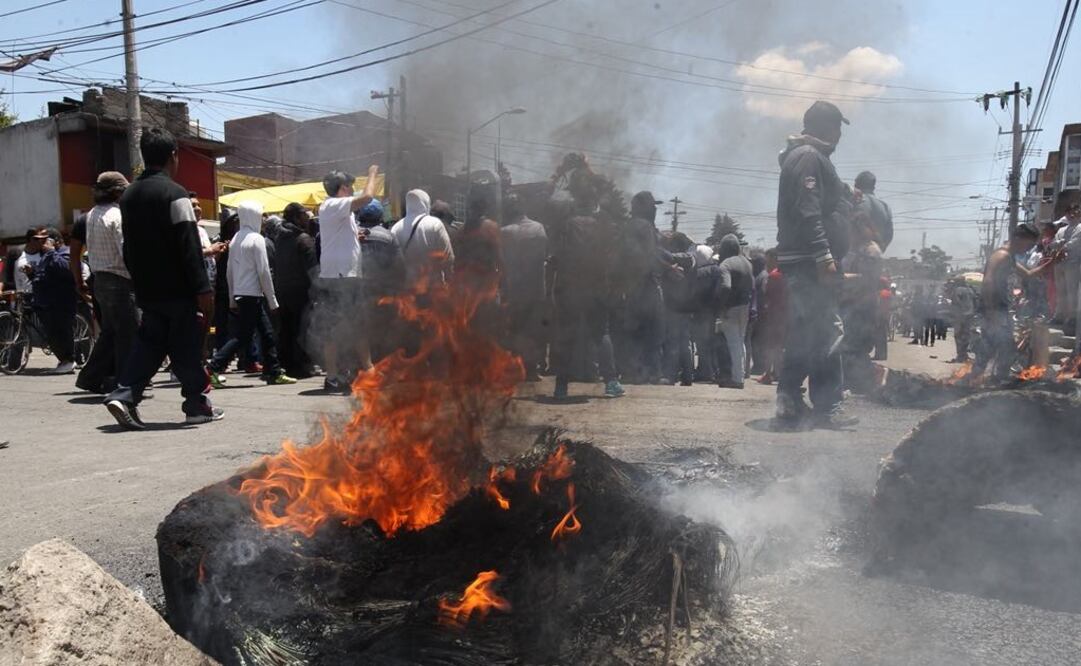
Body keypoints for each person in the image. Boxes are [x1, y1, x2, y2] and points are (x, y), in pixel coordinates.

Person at [104, 127, 220, 429]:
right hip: (179, 288)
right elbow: (189, 244)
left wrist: (138, 279)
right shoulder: (176, 194)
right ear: (173, 156)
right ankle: (196, 405)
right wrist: (202, 288)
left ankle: (124, 395)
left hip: (147, 288)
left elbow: (128, 246)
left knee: (151, 344)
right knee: (186, 347)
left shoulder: (128, 196)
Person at [774, 100, 855, 428]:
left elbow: (818, 203)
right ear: (826, 127)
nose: (840, 135)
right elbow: (808, 208)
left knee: (808, 331)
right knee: (826, 330)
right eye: (837, 128)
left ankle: (789, 400)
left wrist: (843, 197)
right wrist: (823, 256)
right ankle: (827, 406)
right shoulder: (809, 156)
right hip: (810, 261)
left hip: (806, 260)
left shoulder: (807, 156)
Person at [206, 201, 296, 387]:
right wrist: (272, 300)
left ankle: (274, 371)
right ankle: (213, 368)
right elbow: (264, 272)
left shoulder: (236, 239)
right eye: (260, 216)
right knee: (244, 336)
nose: (262, 220)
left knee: (265, 334)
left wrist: (232, 298)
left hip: (242, 295)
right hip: (253, 295)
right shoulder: (257, 239)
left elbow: (229, 272)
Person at [313, 166, 380, 393]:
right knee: (355, 325)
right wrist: (372, 173)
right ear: (342, 188)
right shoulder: (334, 204)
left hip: (339, 275)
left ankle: (337, 375)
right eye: (350, 186)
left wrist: (354, 237)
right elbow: (368, 197)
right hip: (342, 277)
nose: (352, 189)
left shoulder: (337, 209)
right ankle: (367, 371)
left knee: (340, 327)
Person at [76, 172, 139, 394]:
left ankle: (89, 378)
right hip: (119, 280)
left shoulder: (92, 214)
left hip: (100, 280)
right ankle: (124, 384)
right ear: (117, 193)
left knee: (110, 332)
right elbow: (126, 252)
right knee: (127, 334)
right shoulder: (117, 216)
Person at [976, 223, 1047, 379]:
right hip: (994, 310)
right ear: (1017, 238)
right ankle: (988, 381)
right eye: (1029, 244)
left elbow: (1028, 274)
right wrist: (991, 312)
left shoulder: (1010, 257)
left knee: (997, 349)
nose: (1028, 250)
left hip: (1000, 310)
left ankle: (986, 380)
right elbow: (988, 282)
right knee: (1001, 349)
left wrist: (1052, 262)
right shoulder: (1001, 256)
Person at [612, 191, 666, 384]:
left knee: (633, 331)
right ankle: (650, 373)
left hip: (631, 286)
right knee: (652, 330)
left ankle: (633, 372)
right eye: (652, 206)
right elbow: (648, 257)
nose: (655, 209)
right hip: (644, 286)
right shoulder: (645, 227)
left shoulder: (628, 227)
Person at [500, 194, 548, 380]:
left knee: (514, 329)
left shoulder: (504, 232)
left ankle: (516, 368)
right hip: (534, 289)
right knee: (533, 330)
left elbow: (501, 262)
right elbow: (542, 257)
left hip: (513, 290)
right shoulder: (538, 229)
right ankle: (532, 369)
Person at [356, 199, 405, 364]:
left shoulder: (352, 233)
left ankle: (361, 362)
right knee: (383, 327)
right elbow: (399, 266)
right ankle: (381, 361)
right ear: (380, 216)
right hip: (382, 290)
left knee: (360, 327)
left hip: (357, 289)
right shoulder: (388, 236)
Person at [273, 202, 318, 378]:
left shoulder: (279, 237)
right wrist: (319, 289)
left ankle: (286, 364)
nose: (307, 218)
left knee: (286, 329)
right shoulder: (303, 239)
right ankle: (301, 366)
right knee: (302, 329)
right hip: (301, 292)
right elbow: (312, 269)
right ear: (297, 218)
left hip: (282, 290)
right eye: (304, 214)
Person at [840, 214, 883, 391]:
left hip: (862, 304)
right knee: (848, 345)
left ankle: (865, 381)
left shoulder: (870, 251)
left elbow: (868, 279)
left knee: (857, 345)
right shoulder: (855, 249)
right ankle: (854, 381)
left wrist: (842, 277)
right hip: (850, 303)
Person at [30, 229, 78, 374]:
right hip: (46, 303)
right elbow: (43, 276)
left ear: (55, 241)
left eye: (44, 240)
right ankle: (63, 360)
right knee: (52, 334)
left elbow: (66, 269)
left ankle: (69, 360)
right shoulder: (46, 256)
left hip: (60, 302)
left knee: (62, 332)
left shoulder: (64, 252)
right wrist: (32, 273)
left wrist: (51, 252)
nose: (41, 243)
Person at [711, 234, 754, 389]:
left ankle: (737, 379)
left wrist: (722, 306)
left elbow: (725, 286)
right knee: (740, 342)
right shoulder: (747, 263)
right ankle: (740, 375)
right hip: (745, 306)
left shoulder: (726, 264)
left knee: (733, 343)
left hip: (731, 308)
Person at [391, 189, 455, 288]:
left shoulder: (395, 228)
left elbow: (394, 261)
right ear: (426, 203)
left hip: (407, 288)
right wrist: (449, 280)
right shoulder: (435, 224)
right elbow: (448, 257)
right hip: (432, 286)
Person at [757, 248, 786, 384]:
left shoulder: (773, 276)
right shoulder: (789, 275)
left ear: (775, 259)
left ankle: (768, 374)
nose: (766, 263)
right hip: (786, 315)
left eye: (768, 260)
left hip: (774, 315)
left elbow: (766, 295)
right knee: (780, 346)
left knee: (770, 346)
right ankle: (778, 373)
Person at [854, 171, 894, 252]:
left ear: (857, 185)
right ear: (873, 187)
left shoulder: (854, 201)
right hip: (875, 253)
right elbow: (889, 233)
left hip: (854, 254)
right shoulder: (885, 206)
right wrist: (880, 249)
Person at [13, 228, 46, 295]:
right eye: (40, 239)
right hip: (22, 295)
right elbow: (5, 275)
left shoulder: (45, 254)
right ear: (32, 239)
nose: (43, 242)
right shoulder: (16, 253)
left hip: (40, 295)